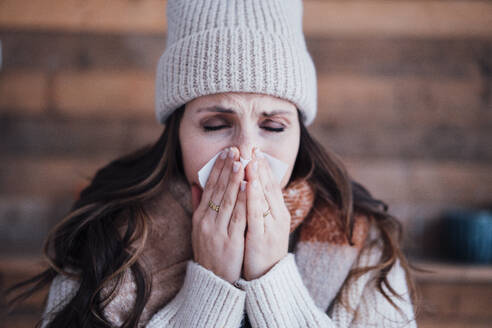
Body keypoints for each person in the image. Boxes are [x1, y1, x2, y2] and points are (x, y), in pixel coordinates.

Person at [7, 0, 422, 327]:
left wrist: (272, 278)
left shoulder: (360, 242)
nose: (245, 152)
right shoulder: (106, 235)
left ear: (300, 133)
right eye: (217, 125)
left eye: (273, 126)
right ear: (178, 131)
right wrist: (210, 288)